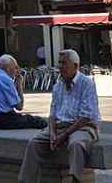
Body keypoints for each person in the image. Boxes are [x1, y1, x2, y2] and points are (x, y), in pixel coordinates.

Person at [18, 49, 101, 183]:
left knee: (76, 144)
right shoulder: (58, 86)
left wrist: (64, 135)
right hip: (60, 126)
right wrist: (52, 134)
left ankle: (75, 179)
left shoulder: (87, 83)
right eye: (59, 63)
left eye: (64, 63)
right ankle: (26, 180)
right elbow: (52, 114)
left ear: (75, 66)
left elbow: (86, 116)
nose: (60, 67)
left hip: (82, 127)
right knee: (34, 143)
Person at [0, 54, 47, 130]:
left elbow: (7, 97)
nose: (17, 70)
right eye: (15, 67)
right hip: (0, 119)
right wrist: (19, 85)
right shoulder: (6, 79)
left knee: (22, 117)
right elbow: (19, 106)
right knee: (34, 120)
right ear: (9, 68)